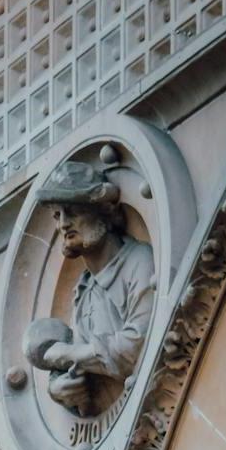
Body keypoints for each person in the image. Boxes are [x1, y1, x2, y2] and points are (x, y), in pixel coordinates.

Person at [24, 156, 156, 419]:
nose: (63, 224)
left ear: (102, 212)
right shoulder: (84, 290)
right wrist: (58, 388)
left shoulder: (138, 261)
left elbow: (134, 348)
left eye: (73, 211)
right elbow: (79, 360)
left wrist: (65, 354)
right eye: (58, 215)